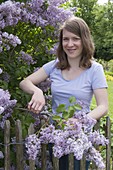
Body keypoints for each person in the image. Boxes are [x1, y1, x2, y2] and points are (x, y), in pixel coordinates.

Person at [19, 16, 108, 170]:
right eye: (65, 39)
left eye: (75, 39)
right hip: (55, 139)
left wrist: (81, 121)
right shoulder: (54, 66)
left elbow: (103, 106)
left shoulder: (95, 70)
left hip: (79, 141)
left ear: (84, 40)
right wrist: (37, 91)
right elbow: (24, 82)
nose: (70, 44)